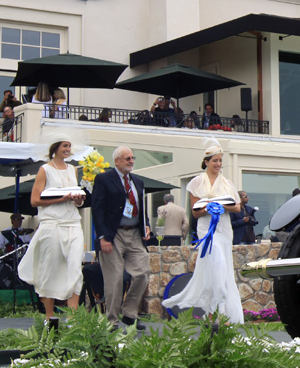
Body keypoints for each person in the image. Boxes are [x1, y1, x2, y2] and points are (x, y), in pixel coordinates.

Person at [162, 141, 244, 324]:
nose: (218, 164)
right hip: (207, 229)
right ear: (206, 161)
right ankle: (218, 310)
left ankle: (216, 314)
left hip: (223, 229)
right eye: (215, 160)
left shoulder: (227, 184)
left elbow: (237, 207)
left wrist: (220, 206)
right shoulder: (196, 183)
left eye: (220, 160)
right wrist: (210, 208)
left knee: (220, 268)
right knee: (216, 264)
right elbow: (195, 211)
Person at [18, 133, 86, 324]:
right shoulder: (45, 170)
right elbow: (34, 201)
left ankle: (73, 318)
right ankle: (49, 315)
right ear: (55, 147)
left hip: (73, 223)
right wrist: (61, 199)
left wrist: (78, 200)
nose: (67, 149)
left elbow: (75, 199)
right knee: (51, 268)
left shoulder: (73, 169)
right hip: (52, 224)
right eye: (64, 145)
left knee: (75, 267)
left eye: (69, 146)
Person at [91, 146, 152, 330]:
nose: (131, 161)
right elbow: (98, 209)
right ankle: (112, 321)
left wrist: (146, 224)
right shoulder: (103, 179)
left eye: (133, 158)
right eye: (127, 158)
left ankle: (129, 313)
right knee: (114, 279)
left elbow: (141, 207)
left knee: (142, 272)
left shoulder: (138, 182)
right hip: (113, 234)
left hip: (134, 233)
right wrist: (103, 237)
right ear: (116, 161)